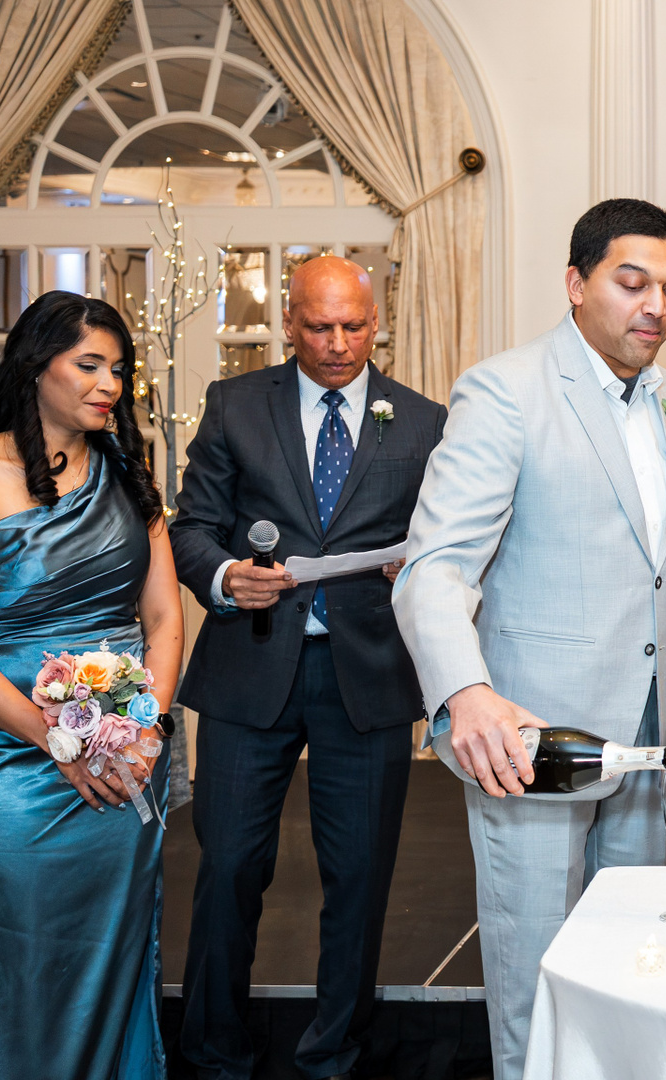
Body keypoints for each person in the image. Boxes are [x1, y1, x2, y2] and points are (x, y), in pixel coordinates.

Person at [394, 198, 666, 1080]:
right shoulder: (505, 391)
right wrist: (466, 694)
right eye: (632, 283)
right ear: (576, 284)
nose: (656, 306)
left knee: (636, 968)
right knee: (535, 978)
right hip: (532, 740)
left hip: (650, 743)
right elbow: (435, 567)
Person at [171, 256, 446, 1080]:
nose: (337, 344)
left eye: (353, 326)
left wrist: (420, 568)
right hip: (249, 666)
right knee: (228, 868)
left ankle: (333, 1056)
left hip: (367, 674)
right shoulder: (234, 404)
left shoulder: (424, 421)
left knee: (359, 878)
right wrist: (226, 577)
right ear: (288, 322)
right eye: (319, 327)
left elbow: (450, 540)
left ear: (376, 323)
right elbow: (192, 528)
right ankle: (214, 1055)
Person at [0, 291, 181, 1079]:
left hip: (123, 770)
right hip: (2, 767)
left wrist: (144, 728)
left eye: (120, 368)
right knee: (15, 959)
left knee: (111, 956)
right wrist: (58, 740)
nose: (110, 384)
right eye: (89, 364)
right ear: (34, 364)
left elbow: (164, 621)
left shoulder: (128, 472)